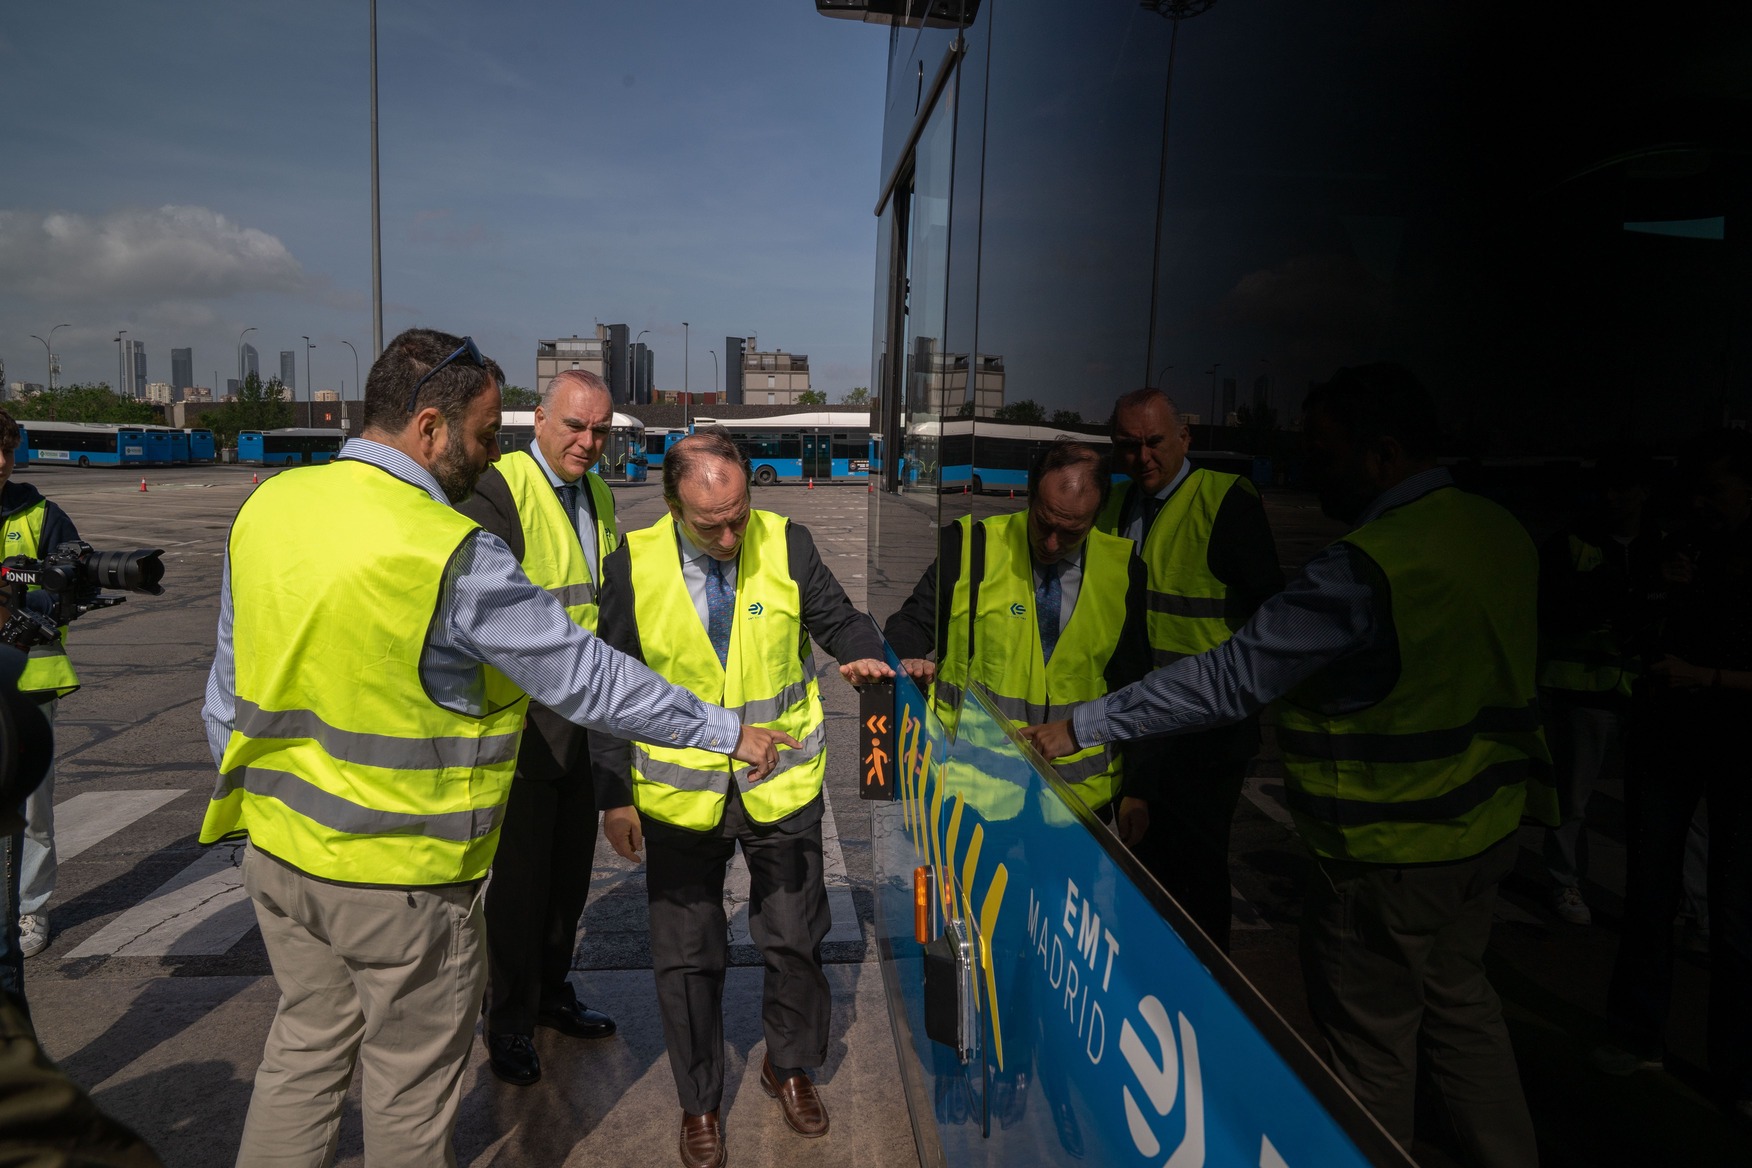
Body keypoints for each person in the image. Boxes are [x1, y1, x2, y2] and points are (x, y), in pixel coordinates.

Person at [200, 329, 794, 1168]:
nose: (489, 455)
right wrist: (726, 730)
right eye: (485, 436)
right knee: (409, 1096)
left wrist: (257, 827)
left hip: (279, 856)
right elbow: (588, 675)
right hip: (398, 878)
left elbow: (224, 694)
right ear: (431, 428)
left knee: (301, 1057)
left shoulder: (269, 506)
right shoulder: (443, 547)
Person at [1023, 364, 1557, 1167]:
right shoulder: (1497, 529)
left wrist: (1087, 725)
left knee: (1368, 1060)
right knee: (1462, 1011)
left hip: (1387, 850)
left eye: (1324, 450)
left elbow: (1238, 673)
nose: (1309, 467)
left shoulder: (1369, 564)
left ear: (1381, 455)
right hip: (1482, 833)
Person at [591, 430, 890, 1168]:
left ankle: (788, 1066)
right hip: (678, 796)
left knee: (794, 937)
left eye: (738, 514)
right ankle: (699, 1101)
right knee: (687, 957)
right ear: (672, 503)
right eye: (710, 523)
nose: (729, 534)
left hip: (779, 784)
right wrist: (614, 794)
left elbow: (837, 617)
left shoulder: (787, 544)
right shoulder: (633, 563)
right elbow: (607, 686)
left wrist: (862, 647)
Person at [455, 369, 620, 1086]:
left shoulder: (600, 492)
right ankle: (510, 1022)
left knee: (568, 881)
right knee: (518, 892)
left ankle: (553, 995)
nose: (588, 442)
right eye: (575, 427)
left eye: (600, 431)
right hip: (523, 727)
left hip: (584, 720)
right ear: (540, 421)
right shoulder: (503, 487)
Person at [1596, 430, 1752, 1125]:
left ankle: (1738, 1068)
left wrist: (1709, 677)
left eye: (1715, 490)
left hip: (1742, 746)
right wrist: (1661, 591)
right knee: (1650, 893)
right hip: (1666, 739)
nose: (1702, 504)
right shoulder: (1680, 541)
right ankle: (1636, 1034)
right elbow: (1629, 626)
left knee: (1736, 915)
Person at [883, 439, 1155, 835]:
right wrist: (907, 662)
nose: (1051, 544)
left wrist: (1138, 790)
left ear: (1097, 517)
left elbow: (1136, 684)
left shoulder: (1124, 569)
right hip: (975, 794)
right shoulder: (972, 547)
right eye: (1043, 522)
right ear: (1029, 496)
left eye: (1071, 532)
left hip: (1077, 804)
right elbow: (910, 623)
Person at [1095, 387, 1282, 950]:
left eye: (1154, 442)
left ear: (1184, 438)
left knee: (1193, 887)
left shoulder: (1225, 502)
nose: (1143, 457)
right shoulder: (1117, 503)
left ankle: (1201, 1006)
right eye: (1128, 446)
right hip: (1136, 722)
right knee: (1140, 880)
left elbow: (1268, 623)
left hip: (1202, 737)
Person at [1535, 446, 1663, 925]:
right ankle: (1565, 881)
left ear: (1644, 493)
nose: (1613, 497)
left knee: (1660, 806)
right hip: (1582, 689)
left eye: (1623, 487)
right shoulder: (1571, 542)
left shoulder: (1664, 543)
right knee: (1573, 797)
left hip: (1650, 689)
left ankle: (1675, 903)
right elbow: (1554, 611)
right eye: (1607, 486)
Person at [0, 406, 81, 962]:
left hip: (29, 683)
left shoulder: (40, 513)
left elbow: (72, 584)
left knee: (33, 808)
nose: (1, 463)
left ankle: (30, 908)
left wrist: (21, 603)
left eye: (6, 451)